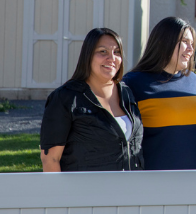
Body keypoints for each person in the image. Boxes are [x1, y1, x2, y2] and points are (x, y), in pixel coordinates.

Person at [122, 17, 196, 170]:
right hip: (151, 183)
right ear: (164, 42)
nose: (191, 49)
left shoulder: (194, 82)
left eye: (192, 44)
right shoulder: (133, 82)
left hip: (193, 182)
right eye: (185, 42)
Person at [40, 28, 143, 172]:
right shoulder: (65, 97)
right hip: (85, 191)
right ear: (88, 56)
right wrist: (58, 194)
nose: (111, 58)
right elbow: (50, 159)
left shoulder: (126, 92)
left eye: (117, 52)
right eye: (103, 51)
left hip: (130, 189)